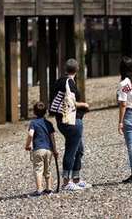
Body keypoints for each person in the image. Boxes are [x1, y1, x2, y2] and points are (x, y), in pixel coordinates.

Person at [49, 58, 91, 191]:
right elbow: (72, 102)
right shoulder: (69, 82)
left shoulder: (59, 81)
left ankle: (76, 179)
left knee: (78, 150)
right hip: (71, 121)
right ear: (77, 69)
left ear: (65, 69)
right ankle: (67, 182)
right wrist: (84, 104)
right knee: (71, 151)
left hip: (61, 121)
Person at [24, 101, 59, 196]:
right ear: (45, 112)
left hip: (38, 149)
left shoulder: (33, 123)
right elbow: (52, 138)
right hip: (48, 150)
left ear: (34, 112)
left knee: (38, 169)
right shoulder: (48, 123)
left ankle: (39, 189)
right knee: (48, 170)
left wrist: (28, 145)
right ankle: (49, 189)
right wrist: (55, 150)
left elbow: (31, 134)